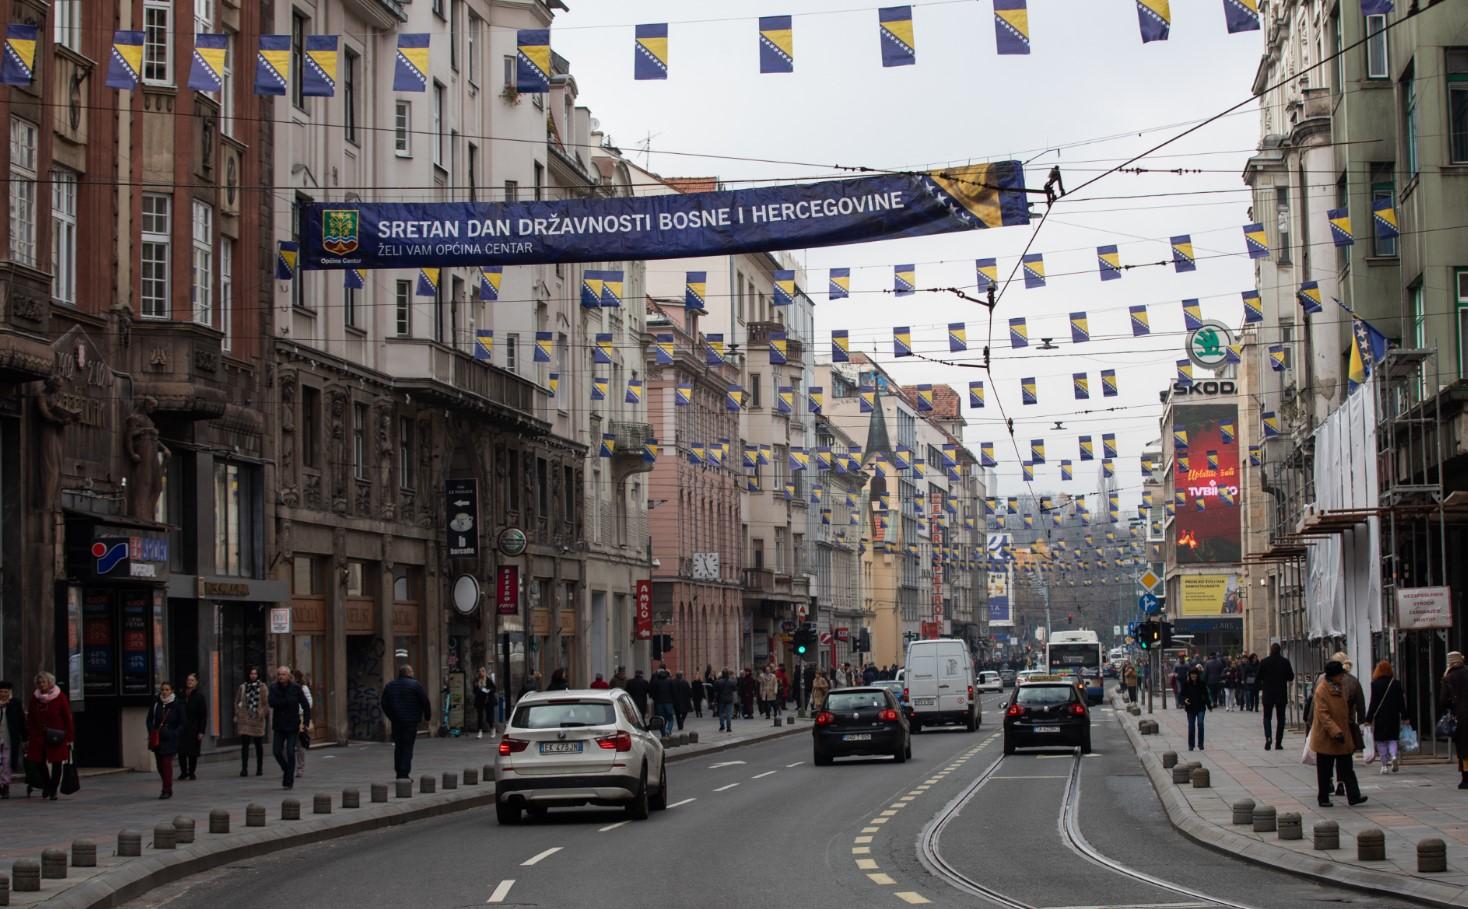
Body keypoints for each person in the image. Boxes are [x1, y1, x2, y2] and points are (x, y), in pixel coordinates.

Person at [1310, 660, 1367, 807]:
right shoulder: (1322, 690)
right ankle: (1323, 798)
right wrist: (1336, 731)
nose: (1342, 676)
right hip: (1327, 737)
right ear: (1333, 675)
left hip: (1342, 734)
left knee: (1347, 768)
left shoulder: (1340, 687)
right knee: (1324, 770)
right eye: (1340, 674)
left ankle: (1354, 796)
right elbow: (1323, 715)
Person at [25, 671, 74, 800]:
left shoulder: (60, 697)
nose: (41, 685)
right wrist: (30, 733)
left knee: (57, 763)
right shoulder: (35, 698)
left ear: (50, 683)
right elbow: (30, 717)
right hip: (38, 736)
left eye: (44, 682)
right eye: (39, 683)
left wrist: (69, 737)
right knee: (38, 761)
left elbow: (67, 717)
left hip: (56, 735)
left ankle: (53, 789)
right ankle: (47, 784)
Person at [381, 665, 432, 780]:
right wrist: (427, 716)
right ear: (408, 673)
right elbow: (425, 701)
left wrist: (391, 716)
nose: (413, 673)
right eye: (412, 671)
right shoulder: (415, 685)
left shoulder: (390, 686)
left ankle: (399, 771)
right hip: (410, 721)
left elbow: (384, 703)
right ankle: (404, 773)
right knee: (407, 747)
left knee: (399, 746)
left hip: (397, 721)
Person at [267, 666, 310, 790]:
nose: (281, 677)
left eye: (283, 674)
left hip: (292, 725)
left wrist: (305, 723)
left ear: (289, 676)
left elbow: (305, 705)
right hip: (279, 725)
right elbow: (271, 702)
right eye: (279, 674)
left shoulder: (296, 688)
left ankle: (289, 780)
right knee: (276, 751)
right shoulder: (274, 688)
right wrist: (286, 702)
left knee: (291, 751)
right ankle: (287, 770)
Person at [1364, 660, 1408, 774]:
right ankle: (1393, 756)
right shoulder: (1396, 683)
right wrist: (1405, 716)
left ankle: (1384, 765)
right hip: (1393, 716)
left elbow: (1373, 703)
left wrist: (1368, 719)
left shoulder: (1375, 684)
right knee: (1392, 738)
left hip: (1380, 717)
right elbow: (1401, 702)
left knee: (1381, 741)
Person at [146, 681, 184, 799]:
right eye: (163, 689)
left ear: (171, 691)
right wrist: (152, 730)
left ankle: (166, 789)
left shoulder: (177, 704)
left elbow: (182, 722)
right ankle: (166, 783)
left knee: (166, 763)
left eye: (167, 690)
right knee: (160, 765)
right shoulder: (156, 704)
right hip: (158, 738)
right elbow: (149, 719)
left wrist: (175, 733)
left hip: (170, 739)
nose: (164, 692)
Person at [1256, 643, 1295, 750]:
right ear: (1280, 650)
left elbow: (1258, 677)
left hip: (1268, 693)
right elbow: (1291, 677)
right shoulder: (1285, 662)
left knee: (1267, 717)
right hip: (1281, 693)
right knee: (1281, 718)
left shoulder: (1264, 662)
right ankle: (1278, 742)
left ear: (1271, 650)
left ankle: (1268, 737)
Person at [234, 666, 269, 777]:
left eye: (255, 674)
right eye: (251, 674)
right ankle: (244, 769)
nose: (253, 676)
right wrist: (239, 713)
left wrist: (261, 713)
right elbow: (237, 701)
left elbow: (266, 703)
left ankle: (259, 768)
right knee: (245, 745)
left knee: (258, 745)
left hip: (257, 720)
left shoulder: (263, 687)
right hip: (245, 720)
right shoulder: (243, 687)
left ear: (258, 675)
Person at [1441, 651, 1468, 789]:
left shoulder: (1448, 677)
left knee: (1463, 748)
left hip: (1460, 717)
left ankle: (1466, 777)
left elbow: (1443, 701)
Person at [178, 673, 207, 781]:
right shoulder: (181, 695)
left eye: (192, 680)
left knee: (192, 752)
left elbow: (203, 716)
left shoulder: (199, 697)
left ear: (196, 682)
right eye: (188, 680)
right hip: (182, 727)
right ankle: (183, 772)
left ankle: (191, 772)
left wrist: (201, 731)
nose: (189, 682)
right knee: (181, 751)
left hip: (194, 728)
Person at [0, 680, 26, 799]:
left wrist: (25, 738)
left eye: (6, 692)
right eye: (1, 692)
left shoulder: (15, 703)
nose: (3, 694)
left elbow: (21, 722)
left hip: (9, 739)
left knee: (6, 763)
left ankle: (5, 786)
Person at [1179, 665, 1210, 751]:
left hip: (1200, 707)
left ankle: (1200, 744)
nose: (1193, 676)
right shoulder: (1186, 684)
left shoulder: (1202, 683)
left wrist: (1209, 705)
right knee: (1191, 726)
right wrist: (1184, 700)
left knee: (1200, 724)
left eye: (1195, 674)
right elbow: (1181, 695)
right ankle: (1191, 745)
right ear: (1189, 675)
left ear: (1197, 675)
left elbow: (1206, 694)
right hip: (1190, 708)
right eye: (1192, 674)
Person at [292, 670, 314, 779]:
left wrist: (300, 712)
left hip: (300, 717)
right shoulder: (286, 688)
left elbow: (309, 703)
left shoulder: (303, 688)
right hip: (289, 718)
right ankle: (289, 767)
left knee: (299, 744)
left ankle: (300, 768)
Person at [649, 667, 675, 738]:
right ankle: (669, 730)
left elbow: (652, 692)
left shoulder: (655, 682)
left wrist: (654, 699)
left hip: (659, 703)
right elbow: (673, 692)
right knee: (670, 718)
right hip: (668, 702)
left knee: (661, 719)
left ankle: (663, 734)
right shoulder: (670, 681)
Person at [472, 667, 497, 739]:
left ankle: (492, 728)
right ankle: (480, 731)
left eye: (482, 672)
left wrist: (488, 691)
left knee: (489, 716)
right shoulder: (476, 680)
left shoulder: (489, 680)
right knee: (480, 716)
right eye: (479, 672)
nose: (480, 673)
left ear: (484, 672)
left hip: (488, 700)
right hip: (480, 700)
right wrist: (476, 687)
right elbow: (474, 691)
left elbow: (494, 688)